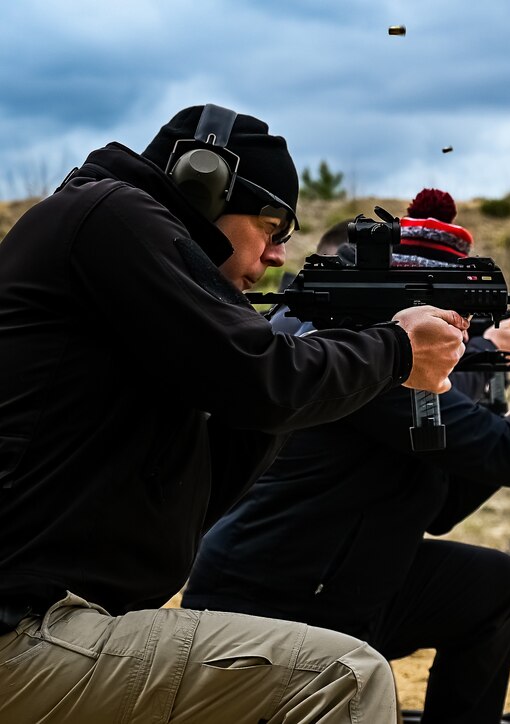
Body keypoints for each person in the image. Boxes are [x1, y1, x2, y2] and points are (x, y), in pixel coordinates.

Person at [0, 106, 469, 723]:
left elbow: (223, 461)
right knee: (344, 677)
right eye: (273, 227)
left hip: (56, 624)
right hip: (25, 629)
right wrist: (393, 348)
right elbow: (261, 381)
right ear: (204, 185)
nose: (277, 255)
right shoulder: (110, 212)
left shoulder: (117, 271)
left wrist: (318, 338)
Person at [182, 188, 510, 723]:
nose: (466, 330)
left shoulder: (373, 347)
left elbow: (445, 496)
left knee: (490, 586)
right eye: (456, 312)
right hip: (277, 602)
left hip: (346, 584)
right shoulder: (367, 353)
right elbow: (494, 449)